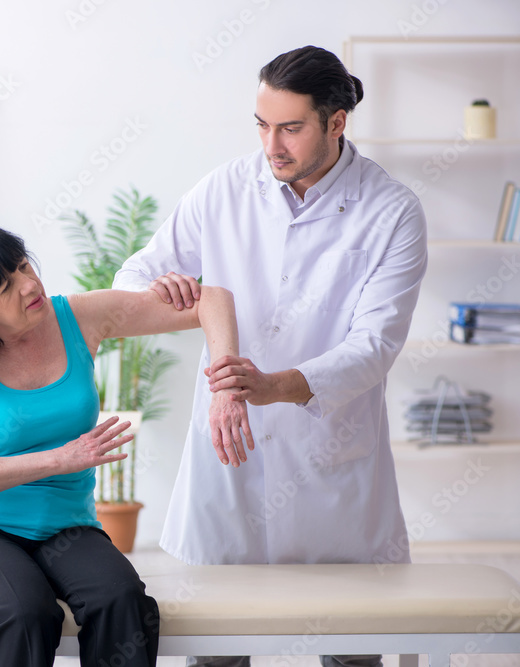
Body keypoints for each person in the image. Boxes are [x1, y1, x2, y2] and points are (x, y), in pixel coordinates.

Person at [113, 46, 428, 667]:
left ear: (336, 122)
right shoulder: (224, 190)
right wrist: (163, 291)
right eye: (262, 125)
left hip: (331, 459)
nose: (271, 146)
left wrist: (277, 385)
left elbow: (375, 345)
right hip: (231, 455)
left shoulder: (391, 211)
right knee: (218, 649)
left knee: (351, 649)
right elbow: (132, 277)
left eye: (290, 128)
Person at [0, 223, 249, 667]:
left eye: (23, 266)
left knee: (124, 601)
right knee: (27, 611)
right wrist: (60, 459)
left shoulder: (78, 317)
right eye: (5, 286)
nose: (29, 285)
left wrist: (226, 390)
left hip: (66, 526)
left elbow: (214, 300)